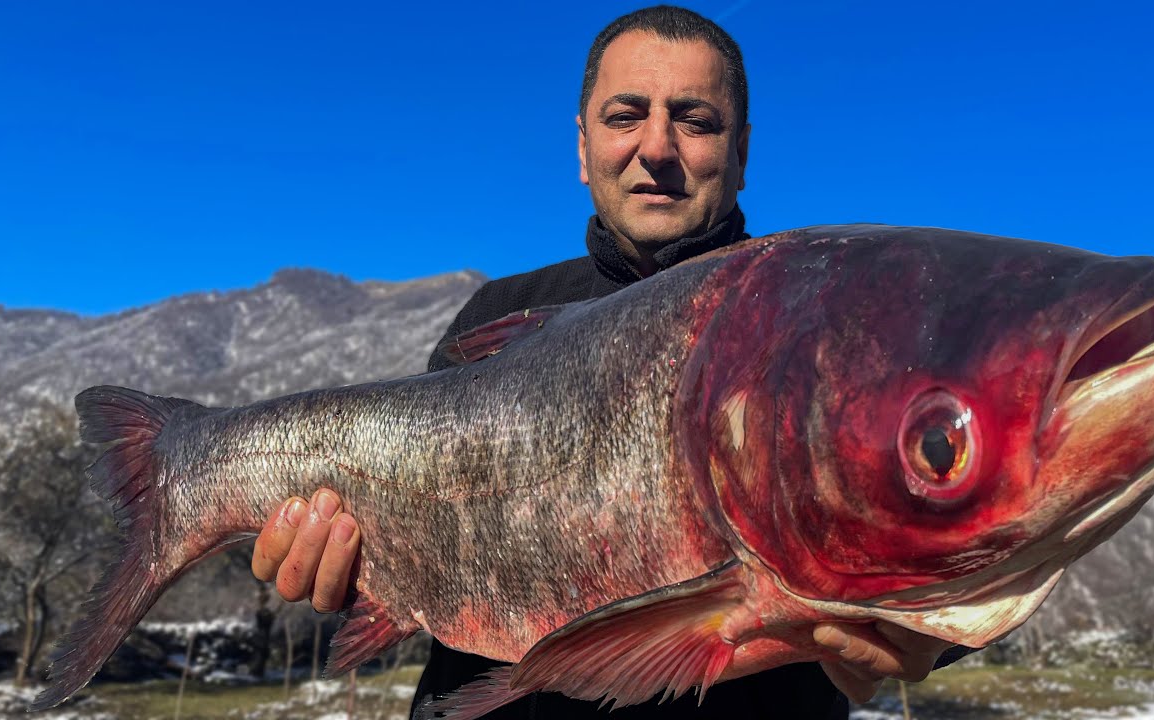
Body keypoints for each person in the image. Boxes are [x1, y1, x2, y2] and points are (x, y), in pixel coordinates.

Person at [250, 6, 963, 718]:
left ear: (741, 153)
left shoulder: (822, 322)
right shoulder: (495, 317)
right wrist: (342, 566)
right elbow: (414, 542)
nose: (657, 146)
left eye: (695, 120)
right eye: (626, 116)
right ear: (583, 149)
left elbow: (963, 507)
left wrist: (933, 621)